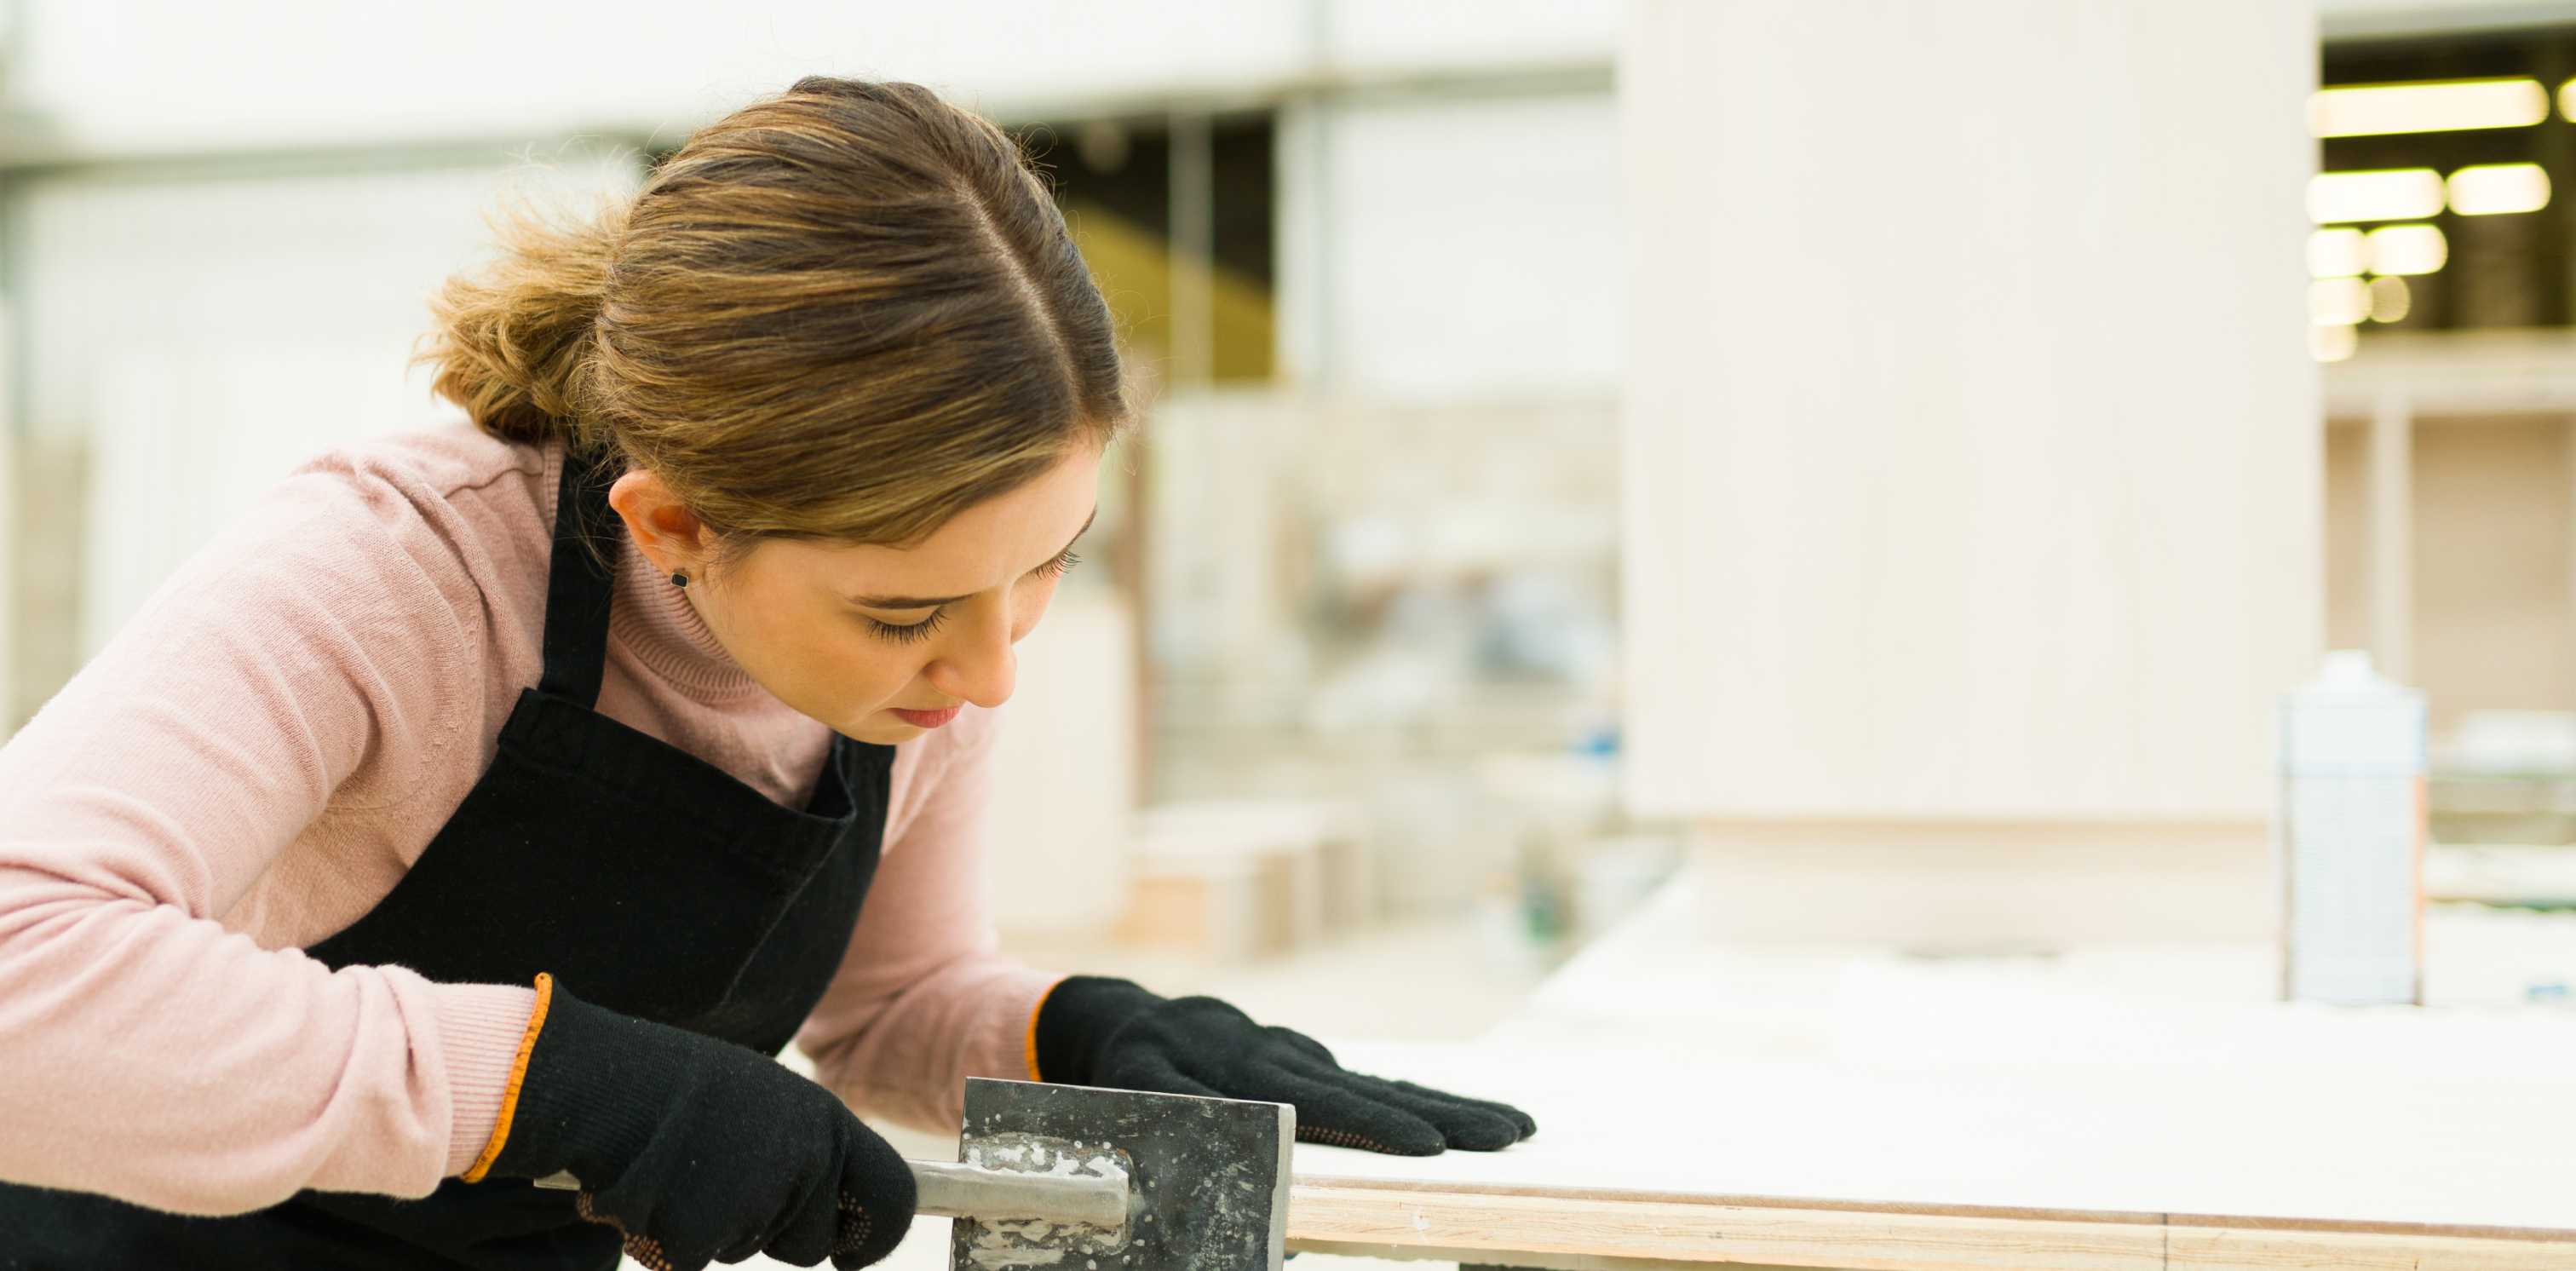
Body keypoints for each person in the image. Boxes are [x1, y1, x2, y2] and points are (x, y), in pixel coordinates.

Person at [0, 77, 1532, 1271]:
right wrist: (544, 1083)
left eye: (1048, 567)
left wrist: (1067, 1033)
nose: (992, 672)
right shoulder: (403, 570)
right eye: (902, 611)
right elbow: (22, 973)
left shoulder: (930, 667)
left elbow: (892, 1006)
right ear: (670, 520)